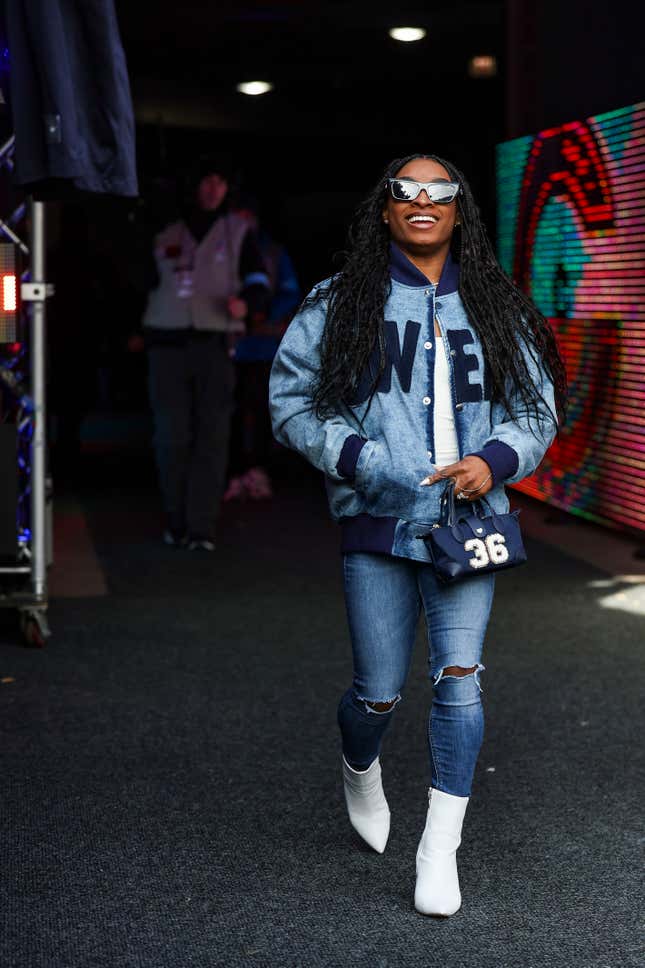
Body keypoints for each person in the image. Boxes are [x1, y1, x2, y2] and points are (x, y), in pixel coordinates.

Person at [269, 154, 566, 916]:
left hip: (468, 526)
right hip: (378, 524)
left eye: (441, 193)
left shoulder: (496, 305)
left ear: (460, 212)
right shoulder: (342, 302)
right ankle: (358, 767)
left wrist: (491, 461)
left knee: (458, 682)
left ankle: (438, 850)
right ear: (386, 210)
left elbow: (535, 410)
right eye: (407, 191)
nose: (424, 201)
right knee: (375, 696)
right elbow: (292, 400)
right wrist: (360, 462)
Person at [141, 159, 270, 550]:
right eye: (206, 180)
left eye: (220, 181)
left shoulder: (237, 230)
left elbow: (259, 280)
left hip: (215, 344)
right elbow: (137, 273)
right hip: (166, 343)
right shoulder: (162, 226)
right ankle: (176, 521)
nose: (214, 188)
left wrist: (246, 304)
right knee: (171, 435)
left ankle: (201, 528)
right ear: (193, 184)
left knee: (212, 437)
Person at [225, 195, 301, 501]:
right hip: (228, 344)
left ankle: (257, 471)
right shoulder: (222, 248)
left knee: (259, 410)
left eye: (246, 214)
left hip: (262, 346)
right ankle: (232, 473)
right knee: (227, 411)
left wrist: (262, 312)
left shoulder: (271, 252)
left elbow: (289, 291)